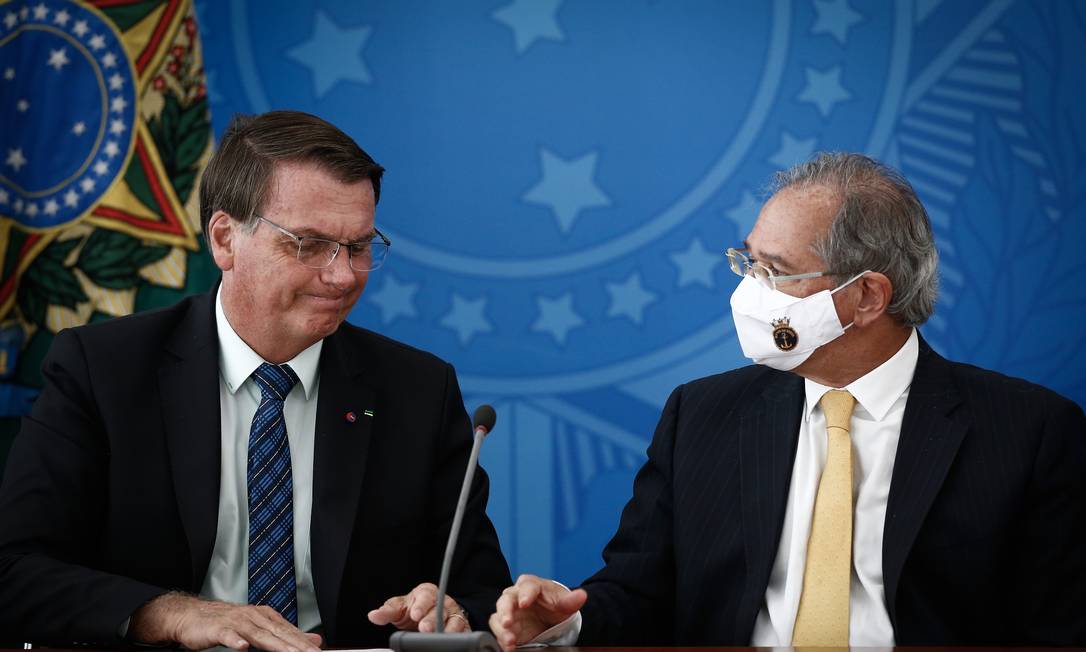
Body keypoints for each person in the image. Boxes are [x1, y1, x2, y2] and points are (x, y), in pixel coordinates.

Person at [489, 152, 1086, 647]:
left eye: (775, 271)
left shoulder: (1029, 432)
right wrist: (569, 622)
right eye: (748, 261)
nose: (750, 290)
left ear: (867, 297)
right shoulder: (700, 416)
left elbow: (1056, 629)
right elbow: (641, 591)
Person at [0, 110, 511, 650]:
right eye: (309, 245)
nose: (341, 276)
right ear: (225, 239)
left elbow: (482, 592)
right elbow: (14, 572)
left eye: (358, 247)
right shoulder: (103, 371)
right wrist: (166, 613)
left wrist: (448, 610)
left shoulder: (417, 391)